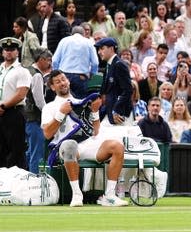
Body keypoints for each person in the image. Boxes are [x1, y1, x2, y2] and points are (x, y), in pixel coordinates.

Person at [41, 70, 128, 207]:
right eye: (57, 82)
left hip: (88, 144)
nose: (62, 83)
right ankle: (77, 194)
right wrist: (60, 113)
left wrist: (94, 111)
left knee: (117, 146)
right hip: (66, 147)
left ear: (68, 81)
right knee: (69, 144)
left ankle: (109, 195)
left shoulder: (81, 102)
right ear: (52, 87)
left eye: (63, 79)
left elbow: (95, 130)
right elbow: (47, 134)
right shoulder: (50, 107)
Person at [0, 37, 31, 169]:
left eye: (12, 50)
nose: (8, 52)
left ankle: (16, 182)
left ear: (17, 52)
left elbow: (21, 93)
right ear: (2, 52)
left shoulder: (22, 71)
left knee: (16, 149)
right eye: (6, 50)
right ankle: (0, 182)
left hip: (14, 112)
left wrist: (4, 106)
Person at [23, 48, 53, 174]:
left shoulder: (26, 71)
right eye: (49, 60)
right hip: (35, 118)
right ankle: (34, 183)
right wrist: (49, 115)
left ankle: (27, 178)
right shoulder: (36, 75)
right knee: (36, 152)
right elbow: (39, 101)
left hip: (26, 117)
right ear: (41, 60)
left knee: (30, 151)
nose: (50, 63)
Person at [52, 26, 100, 99]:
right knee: (80, 104)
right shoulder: (88, 42)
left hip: (64, 76)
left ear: (72, 33)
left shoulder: (64, 41)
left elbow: (55, 60)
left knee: (64, 101)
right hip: (81, 77)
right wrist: (92, 74)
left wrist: (57, 74)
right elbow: (95, 63)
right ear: (83, 34)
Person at [95, 37, 133, 126]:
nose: (99, 52)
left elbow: (128, 90)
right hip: (110, 112)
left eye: (102, 48)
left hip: (119, 115)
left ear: (111, 48)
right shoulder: (109, 65)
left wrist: (116, 110)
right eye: (98, 49)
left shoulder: (119, 65)